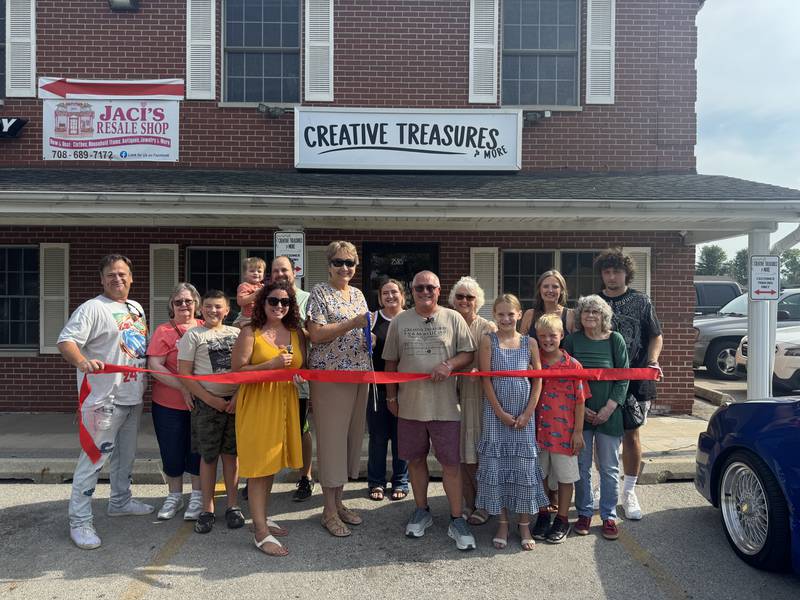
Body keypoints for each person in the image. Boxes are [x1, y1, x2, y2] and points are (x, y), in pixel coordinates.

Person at [57, 254, 153, 550]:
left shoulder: (135, 308)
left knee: (126, 456)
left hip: (132, 396)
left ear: (131, 278)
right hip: (103, 399)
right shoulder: (92, 308)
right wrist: (82, 361)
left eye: (123, 274)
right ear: (102, 279)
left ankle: (120, 501)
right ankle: (80, 521)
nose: (118, 279)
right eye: (111, 275)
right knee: (93, 460)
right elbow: (66, 341)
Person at [383, 270, 477, 551]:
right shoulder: (400, 321)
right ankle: (421, 510)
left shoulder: (453, 318)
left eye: (430, 288)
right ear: (412, 291)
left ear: (439, 290)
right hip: (410, 406)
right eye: (419, 288)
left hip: (446, 407)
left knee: (450, 464)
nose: (425, 292)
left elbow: (468, 353)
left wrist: (449, 365)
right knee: (415, 460)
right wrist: (391, 399)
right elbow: (390, 363)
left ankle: (457, 518)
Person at [231, 281, 307, 557]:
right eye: (273, 301)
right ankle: (260, 530)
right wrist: (270, 366)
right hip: (258, 403)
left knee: (272, 464)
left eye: (285, 302)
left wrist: (296, 374)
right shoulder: (250, 331)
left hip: (285, 402)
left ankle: (261, 517)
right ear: (262, 303)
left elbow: (300, 365)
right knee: (259, 467)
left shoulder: (295, 332)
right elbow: (237, 372)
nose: (279, 306)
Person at [306, 241, 370, 537]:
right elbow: (316, 334)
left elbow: (364, 329)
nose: (345, 268)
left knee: (350, 441)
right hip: (330, 378)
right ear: (329, 265)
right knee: (332, 444)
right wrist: (351, 323)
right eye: (339, 262)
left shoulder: (357, 294)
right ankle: (328, 511)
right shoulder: (319, 293)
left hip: (359, 375)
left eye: (350, 263)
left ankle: (339, 502)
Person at [475, 294, 547, 551]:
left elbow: (537, 378)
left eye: (510, 314)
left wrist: (529, 412)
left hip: (524, 414)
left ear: (519, 315)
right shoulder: (488, 341)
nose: (506, 319)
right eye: (500, 314)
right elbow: (486, 380)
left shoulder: (530, 343)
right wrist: (499, 412)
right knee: (499, 467)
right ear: (494, 315)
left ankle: (524, 523)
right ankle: (503, 522)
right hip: (497, 415)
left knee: (523, 468)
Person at [596, 249, 663, 521]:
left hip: (635, 378)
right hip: (602, 379)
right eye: (607, 271)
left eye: (617, 271)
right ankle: (604, 484)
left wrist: (653, 361)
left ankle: (629, 490)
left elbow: (656, 336)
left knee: (631, 434)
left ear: (626, 273)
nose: (612, 276)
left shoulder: (641, 301)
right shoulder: (593, 302)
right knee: (602, 436)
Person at [177, 290, 243, 535]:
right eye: (208, 306)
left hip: (235, 403)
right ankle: (207, 509)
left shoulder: (237, 334)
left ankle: (233, 506)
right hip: (207, 405)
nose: (213, 311)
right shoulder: (192, 336)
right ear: (200, 309)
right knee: (208, 457)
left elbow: (246, 369)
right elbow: (185, 373)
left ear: (227, 310)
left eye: (218, 306)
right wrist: (210, 399)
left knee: (231, 455)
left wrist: (237, 396)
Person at [564, 295, 629, 541]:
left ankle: (609, 515)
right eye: (586, 311)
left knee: (609, 468)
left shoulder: (615, 340)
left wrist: (608, 408)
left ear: (604, 316)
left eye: (596, 312)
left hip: (610, 415)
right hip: (580, 414)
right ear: (580, 316)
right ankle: (583, 512)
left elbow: (624, 377)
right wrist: (582, 409)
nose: (590, 315)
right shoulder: (572, 341)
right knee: (581, 467)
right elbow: (566, 377)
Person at [146, 283, 203, 521]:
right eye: (178, 302)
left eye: (188, 301)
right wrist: (183, 386)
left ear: (197, 304)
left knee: (198, 451)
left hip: (201, 403)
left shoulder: (206, 327)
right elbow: (154, 366)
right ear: (171, 305)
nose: (184, 306)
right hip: (167, 404)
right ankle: (174, 496)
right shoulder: (163, 331)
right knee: (171, 450)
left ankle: (198, 495)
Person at [530, 314, 587, 544]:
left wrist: (578, 432)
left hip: (564, 434)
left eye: (552, 335)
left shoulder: (573, 365)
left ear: (562, 336)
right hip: (538, 432)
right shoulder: (534, 362)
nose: (547, 340)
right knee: (540, 474)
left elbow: (581, 400)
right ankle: (543, 513)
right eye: (542, 336)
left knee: (565, 478)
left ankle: (562, 518)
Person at [448, 276, 496, 526]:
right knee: (460, 455)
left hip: (478, 398)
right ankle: (469, 501)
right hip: (449, 396)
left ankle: (485, 503)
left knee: (480, 454)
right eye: (460, 296)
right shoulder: (446, 323)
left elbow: (500, 360)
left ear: (478, 301)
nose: (464, 300)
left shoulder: (488, 328)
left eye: (470, 297)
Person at [270, 255, 315, 502]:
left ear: (294, 271)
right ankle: (263, 475)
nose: (280, 274)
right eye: (276, 271)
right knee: (271, 426)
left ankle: (305, 477)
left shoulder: (307, 299)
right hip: (270, 377)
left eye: (284, 270)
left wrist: (293, 328)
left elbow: (314, 333)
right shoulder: (264, 298)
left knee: (300, 427)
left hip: (298, 376)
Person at [366, 278, 409, 502]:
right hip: (377, 390)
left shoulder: (411, 319)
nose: (390, 296)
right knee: (378, 438)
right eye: (385, 293)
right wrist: (368, 343)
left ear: (402, 295)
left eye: (394, 292)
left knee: (402, 437)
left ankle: (401, 481)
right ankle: (376, 481)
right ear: (380, 297)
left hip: (407, 390)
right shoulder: (372, 319)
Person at [519, 269, 575, 341]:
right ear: (540, 289)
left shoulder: (571, 315)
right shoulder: (529, 315)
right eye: (545, 286)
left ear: (562, 290)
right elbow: (521, 345)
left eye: (555, 287)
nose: (550, 290)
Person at [234, 257, 266, 328]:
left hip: (261, 316)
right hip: (247, 318)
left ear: (263, 275)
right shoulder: (244, 286)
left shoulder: (263, 287)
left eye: (259, 271)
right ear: (245, 274)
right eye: (252, 271)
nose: (256, 273)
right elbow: (241, 301)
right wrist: (255, 294)